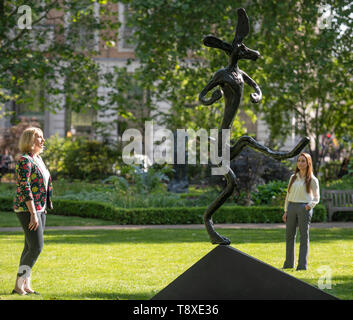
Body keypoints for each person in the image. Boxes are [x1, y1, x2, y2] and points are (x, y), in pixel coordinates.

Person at [12, 127, 53, 295]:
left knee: (29, 247)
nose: (43, 141)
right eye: (39, 138)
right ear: (30, 140)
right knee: (36, 247)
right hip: (28, 209)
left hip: (40, 208)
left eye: (43, 137)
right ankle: (18, 285)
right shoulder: (25, 160)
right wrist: (33, 213)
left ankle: (25, 285)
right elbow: (24, 186)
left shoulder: (38, 159)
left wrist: (41, 209)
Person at [282, 152, 320, 271]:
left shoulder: (312, 179)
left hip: (304, 208)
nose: (300, 163)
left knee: (304, 237)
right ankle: (288, 264)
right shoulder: (292, 178)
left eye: (303, 161)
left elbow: (317, 197)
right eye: (299, 161)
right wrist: (286, 210)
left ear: (308, 163)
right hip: (292, 207)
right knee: (289, 236)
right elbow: (288, 195)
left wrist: (309, 206)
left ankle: (302, 265)